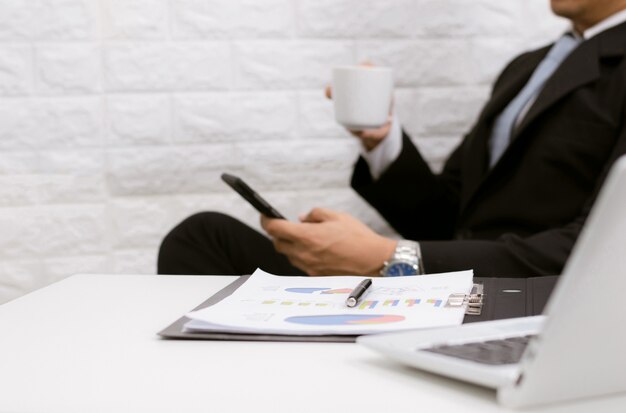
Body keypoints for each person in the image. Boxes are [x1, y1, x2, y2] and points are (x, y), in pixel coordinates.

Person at [158, 0, 626, 278]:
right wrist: (379, 138)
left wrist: (389, 259)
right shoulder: (528, 67)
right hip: (442, 277)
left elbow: (596, 249)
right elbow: (446, 218)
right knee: (203, 238)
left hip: (519, 295)